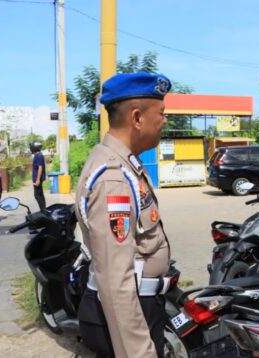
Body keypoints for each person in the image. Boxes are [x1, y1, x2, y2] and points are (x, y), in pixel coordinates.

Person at [74, 72, 173, 357]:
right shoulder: (113, 177)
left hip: (139, 306)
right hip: (125, 315)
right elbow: (116, 280)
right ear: (137, 118)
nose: (165, 121)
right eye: (162, 113)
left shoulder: (125, 164)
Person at [30, 141, 46, 211]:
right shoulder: (38, 155)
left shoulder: (38, 155)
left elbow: (40, 167)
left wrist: (38, 179)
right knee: (40, 195)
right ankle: (43, 209)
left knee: (37, 195)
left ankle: (43, 210)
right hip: (37, 178)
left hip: (37, 178)